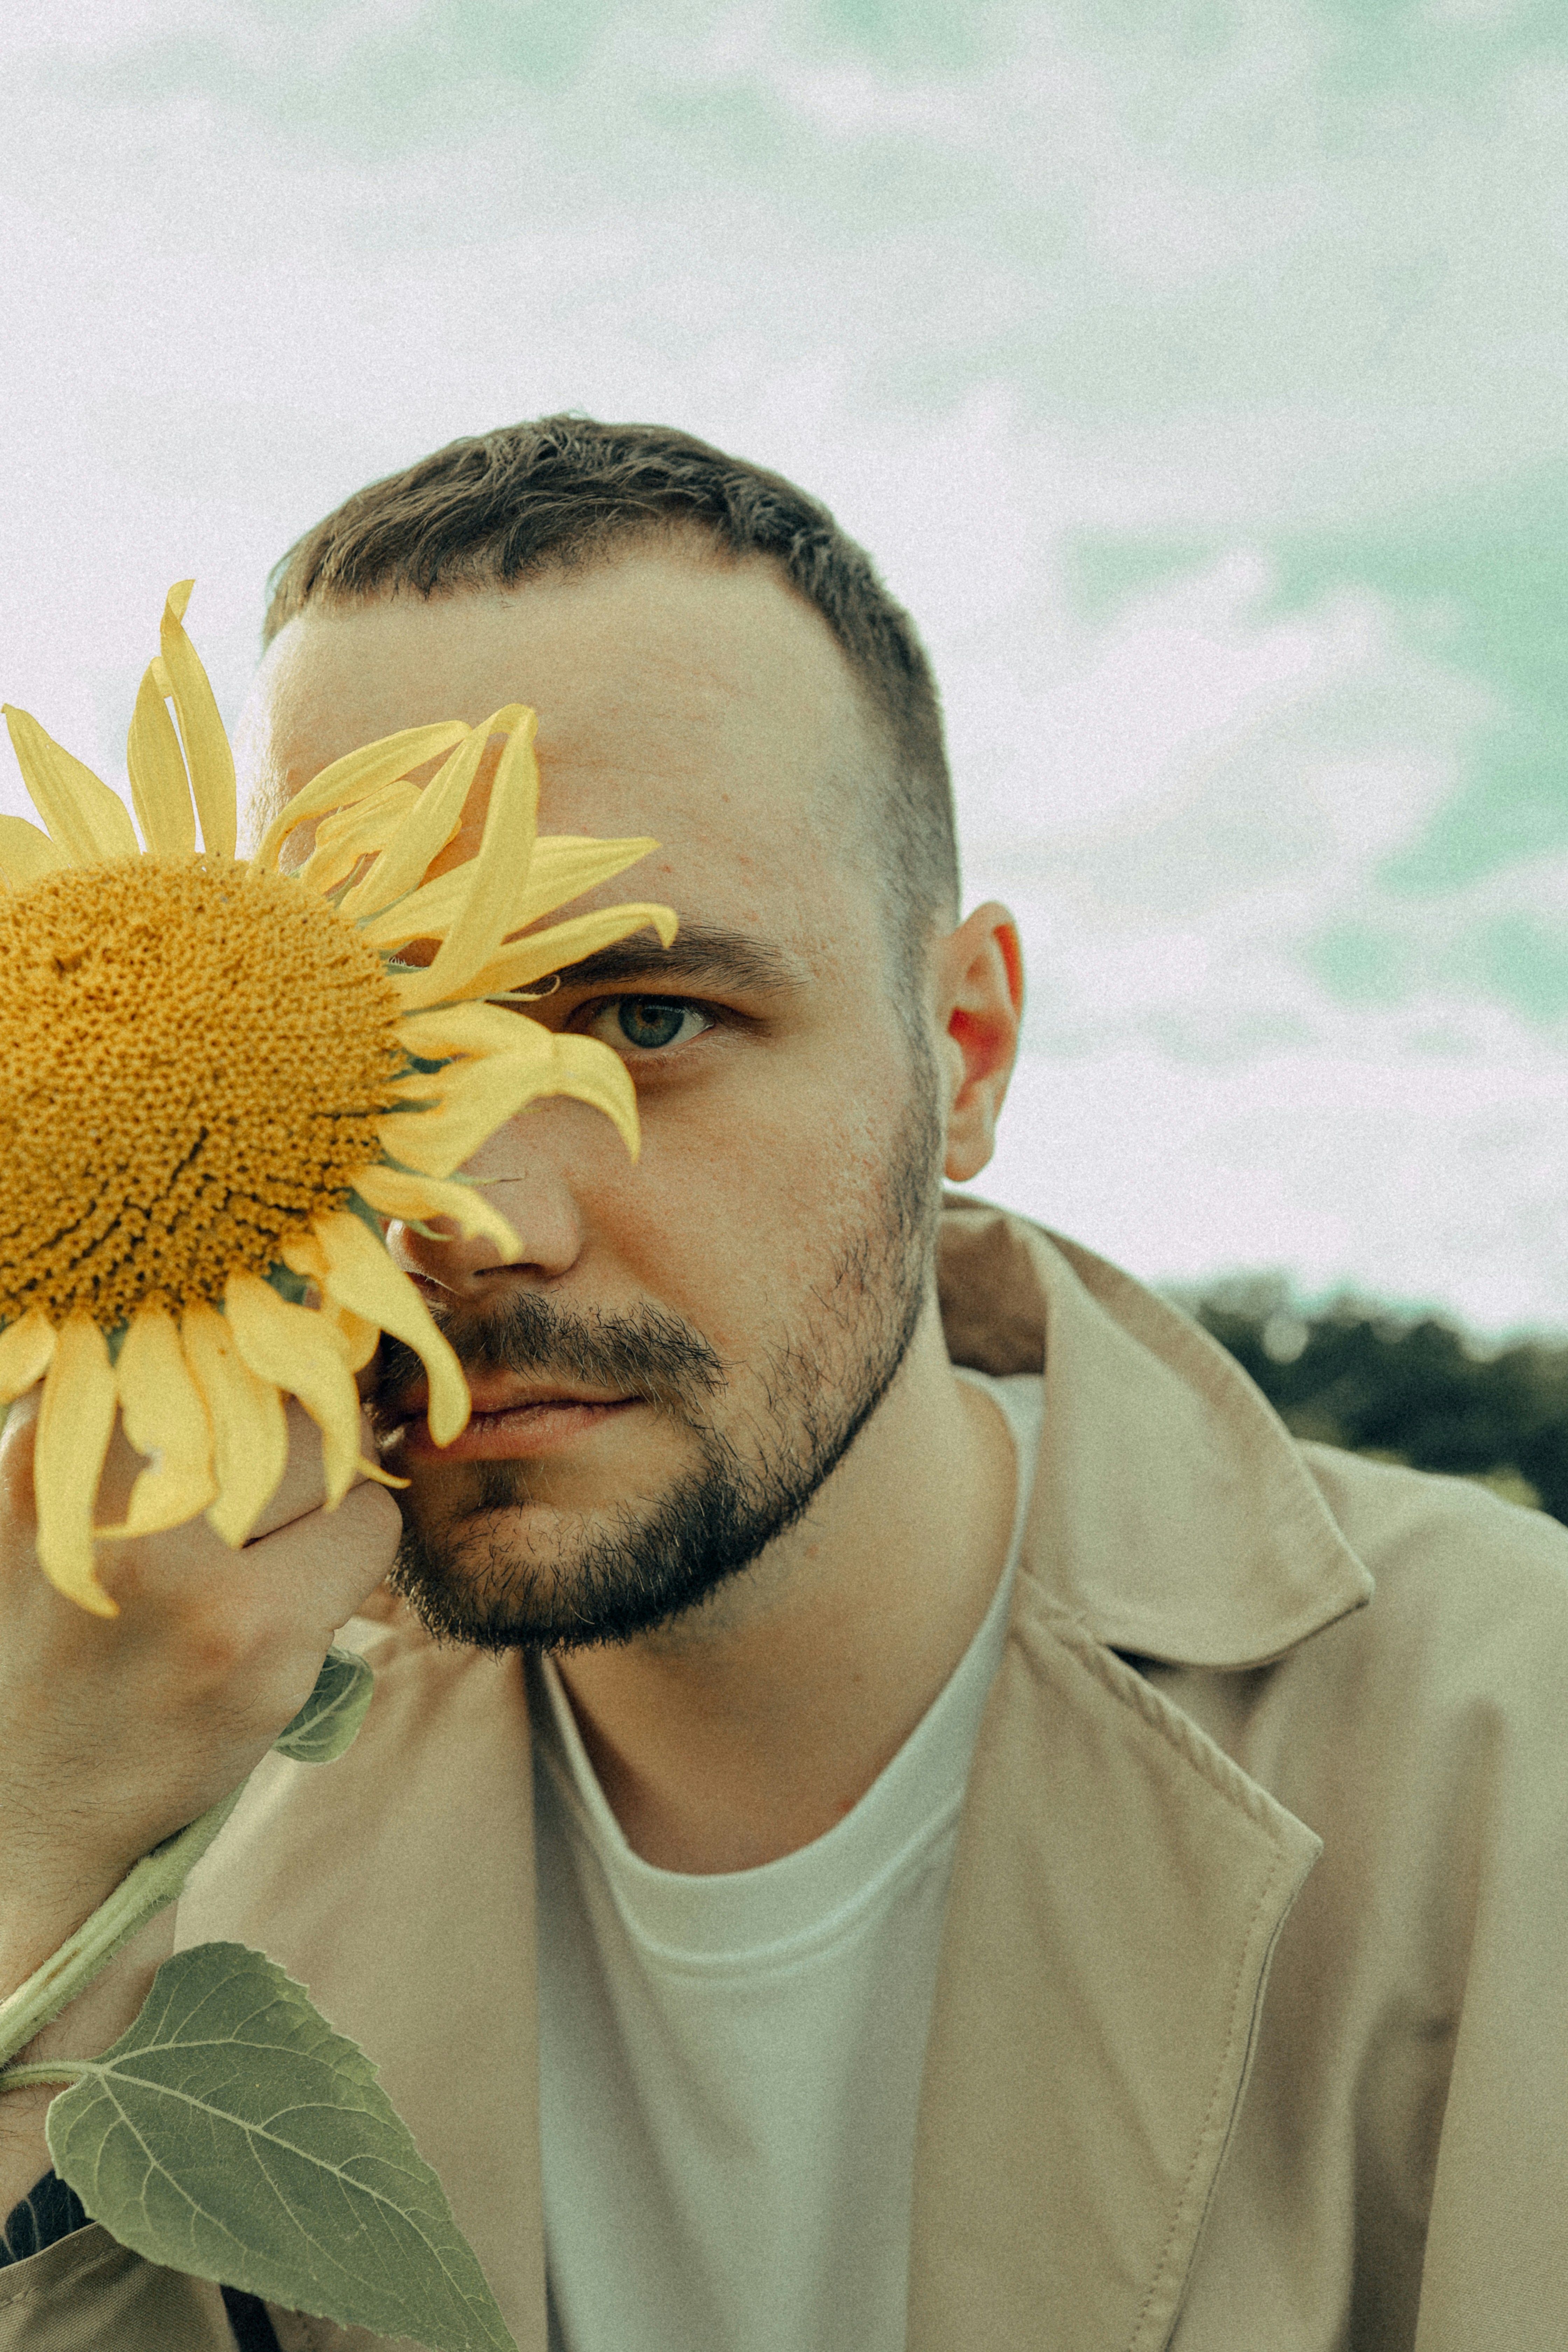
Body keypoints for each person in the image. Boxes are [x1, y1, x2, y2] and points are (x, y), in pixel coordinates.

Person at [0, 419, 1564, 2352]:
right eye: (388, 1045)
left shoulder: (1512, 1751)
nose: (474, 1211)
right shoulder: (165, 1775)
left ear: (967, 1051)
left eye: (650, 1020)